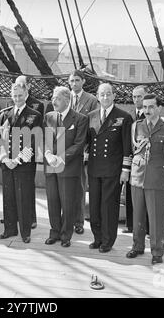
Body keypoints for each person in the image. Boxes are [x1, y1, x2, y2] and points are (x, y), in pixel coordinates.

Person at [126, 94, 164, 265]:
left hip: (156, 178)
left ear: (159, 108)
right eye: (145, 107)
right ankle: (137, 246)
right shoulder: (137, 126)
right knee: (137, 215)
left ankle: (157, 252)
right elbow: (133, 149)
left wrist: (157, 168)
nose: (147, 110)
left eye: (151, 107)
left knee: (156, 218)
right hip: (137, 176)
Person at [87, 83, 133, 253]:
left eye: (108, 94)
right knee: (94, 206)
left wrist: (125, 170)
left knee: (108, 207)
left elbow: (127, 146)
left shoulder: (123, 117)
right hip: (94, 168)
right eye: (102, 94)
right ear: (97, 96)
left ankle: (107, 241)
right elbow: (86, 142)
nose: (105, 97)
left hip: (113, 170)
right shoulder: (91, 116)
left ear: (114, 96)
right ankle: (97, 238)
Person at [0, 81, 42, 243]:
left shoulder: (34, 115)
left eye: (20, 96)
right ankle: (9, 230)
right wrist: (4, 159)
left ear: (26, 95)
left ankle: (25, 233)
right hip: (7, 164)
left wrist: (16, 160)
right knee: (8, 198)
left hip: (24, 165)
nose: (17, 99)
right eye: (14, 96)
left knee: (23, 198)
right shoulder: (5, 115)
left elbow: (34, 142)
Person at [43, 86, 88, 247]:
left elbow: (79, 144)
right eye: (53, 98)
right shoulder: (49, 117)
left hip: (68, 168)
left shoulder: (80, 119)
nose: (54, 101)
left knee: (68, 203)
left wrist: (60, 158)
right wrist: (48, 155)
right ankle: (54, 232)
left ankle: (65, 235)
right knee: (53, 201)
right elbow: (45, 139)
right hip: (51, 166)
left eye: (58, 98)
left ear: (67, 100)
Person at [68, 69, 98, 235]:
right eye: (72, 81)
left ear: (83, 82)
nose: (74, 84)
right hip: (65, 150)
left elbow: (93, 128)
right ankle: (66, 219)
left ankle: (78, 222)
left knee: (79, 187)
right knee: (65, 187)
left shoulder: (92, 100)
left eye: (77, 80)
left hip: (82, 151)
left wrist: (87, 150)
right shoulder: (64, 97)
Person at [123, 85, 147, 233]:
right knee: (130, 193)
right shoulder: (129, 116)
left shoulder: (149, 115)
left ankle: (146, 227)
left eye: (140, 96)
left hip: (144, 161)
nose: (136, 99)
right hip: (130, 159)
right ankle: (130, 225)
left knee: (144, 195)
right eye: (134, 97)